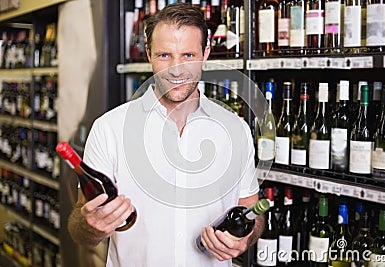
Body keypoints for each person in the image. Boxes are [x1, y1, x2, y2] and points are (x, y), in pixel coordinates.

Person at [67, 3, 265, 266]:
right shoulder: (109, 129)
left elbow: (253, 211)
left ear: (205, 53)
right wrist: (91, 225)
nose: (176, 69)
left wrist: (247, 236)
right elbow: (81, 228)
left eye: (188, 55)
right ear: (148, 53)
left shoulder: (235, 129)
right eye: (164, 55)